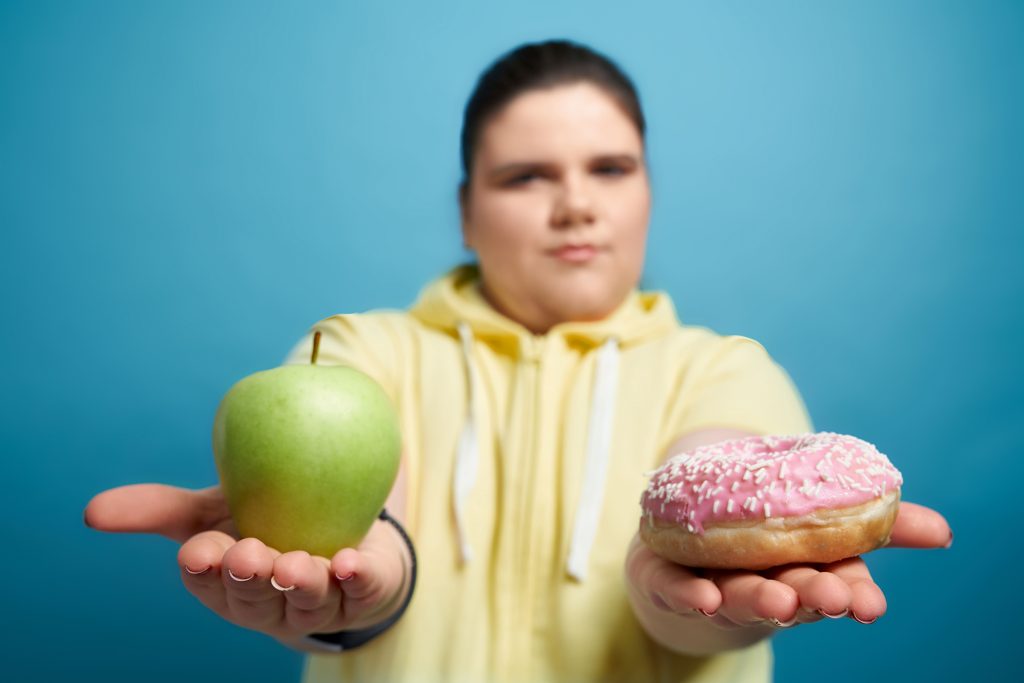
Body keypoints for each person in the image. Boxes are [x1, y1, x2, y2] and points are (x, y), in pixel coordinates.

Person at [85, 39, 952, 682]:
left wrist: (690, 583)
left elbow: (710, 533)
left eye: (610, 168)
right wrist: (359, 589)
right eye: (527, 176)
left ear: (650, 189)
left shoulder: (724, 370)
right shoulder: (357, 353)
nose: (576, 204)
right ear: (465, 211)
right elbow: (360, 530)